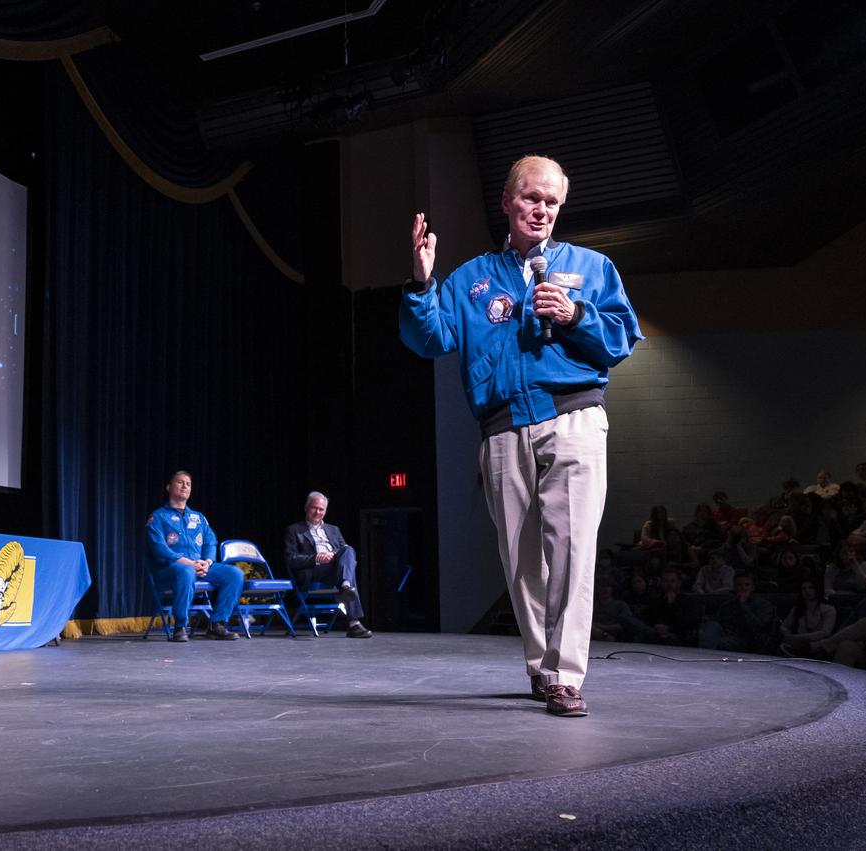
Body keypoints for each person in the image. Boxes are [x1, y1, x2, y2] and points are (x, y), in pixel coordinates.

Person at [400, 155, 642, 717]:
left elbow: (622, 338)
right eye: (532, 198)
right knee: (520, 561)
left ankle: (564, 675)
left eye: (552, 202)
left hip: (573, 418)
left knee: (574, 551)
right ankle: (541, 665)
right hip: (503, 428)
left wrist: (577, 314)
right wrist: (420, 281)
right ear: (508, 202)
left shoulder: (592, 267)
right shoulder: (471, 279)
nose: (542, 210)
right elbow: (428, 339)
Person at [145, 470, 243, 641]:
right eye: (180, 482)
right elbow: (159, 547)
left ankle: (217, 624)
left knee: (234, 574)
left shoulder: (198, 517)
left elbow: (210, 542)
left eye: (188, 484)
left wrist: (207, 562)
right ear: (169, 487)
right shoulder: (158, 516)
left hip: (198, 567)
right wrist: (189, 563)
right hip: (169, 569)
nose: (185, 486)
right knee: (186, 571)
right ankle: (180, 626)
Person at [283, 491, 372, 638]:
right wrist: (316, 558)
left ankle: (345, 585)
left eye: (321, 509)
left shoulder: (333, 530)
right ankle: (353, 623)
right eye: (314, 508)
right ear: (306, 508)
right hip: (313, 570)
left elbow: (345, 554)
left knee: (349, 550)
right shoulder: (294, 530)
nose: (318, 512)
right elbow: (291, 559)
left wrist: (333, 557)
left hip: (334, 570)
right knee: (348, 575)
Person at [698, 572, 777, 653]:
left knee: (717, 643)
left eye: (747, 585)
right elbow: (717, 622)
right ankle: (704, 654)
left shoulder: (763, 604)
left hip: (750, 640)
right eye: (739, 585)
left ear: (753, 587)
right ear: (734, 588)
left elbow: (759, 627)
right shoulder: (728, 605)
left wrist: (743, 604)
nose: (743, 588)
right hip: (728, 636)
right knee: (712, 626)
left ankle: (705, 655)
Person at [779, 577, 837, 657]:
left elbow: (825, 633)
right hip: (797, 644)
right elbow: (783, 626)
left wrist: (797, 637)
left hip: (818, 647)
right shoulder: (797, 610)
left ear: (817, 589)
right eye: (804, 588)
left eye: (811, 588)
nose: (807, 591)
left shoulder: (829, 610)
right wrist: (788, 635)